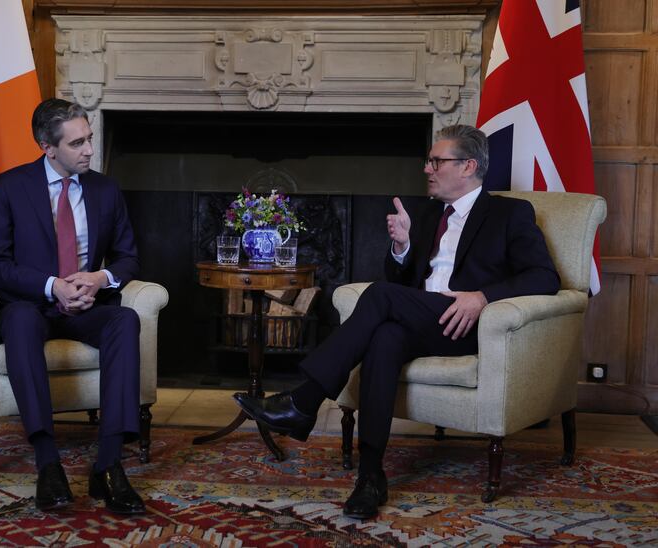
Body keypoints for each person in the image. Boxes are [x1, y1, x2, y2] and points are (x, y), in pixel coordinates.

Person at [233, 124, 560, 519]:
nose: (428, 169)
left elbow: (545, 277)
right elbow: (400, 284)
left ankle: (304, 399)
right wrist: (403, 247)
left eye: (437, 161)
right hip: (422, 319)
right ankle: (370, 477)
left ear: (468, 166)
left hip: (468, 324)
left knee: (379, 296)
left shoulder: (509, 212)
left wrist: (482, 297)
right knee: (384, 338)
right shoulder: (425, 214)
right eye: (429, 160)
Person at [0, 98, 145, 515]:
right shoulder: (10, 186)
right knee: (16, 320)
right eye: (78, 143)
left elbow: (128, 258)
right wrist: (52, 286)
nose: (90, 150)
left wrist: (98, 278)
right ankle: (47, 461)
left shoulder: (105, 188)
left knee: (125, 320)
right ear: (47, 147)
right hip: (33, 305)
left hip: (87, 306)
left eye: (89, 138)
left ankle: (108, 465)